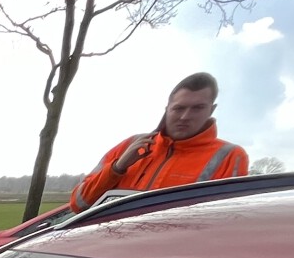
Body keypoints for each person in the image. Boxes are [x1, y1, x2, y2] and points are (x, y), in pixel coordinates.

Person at [69, 73, 249, 211]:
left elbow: (226, 222)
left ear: (211, 110)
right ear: (167, 109)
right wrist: (117, 168)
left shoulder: (230, 156)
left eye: (197, 108)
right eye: (178, 108)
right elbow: (79, 204)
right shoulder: (130, 145)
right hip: (110, 245)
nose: (185, 116)